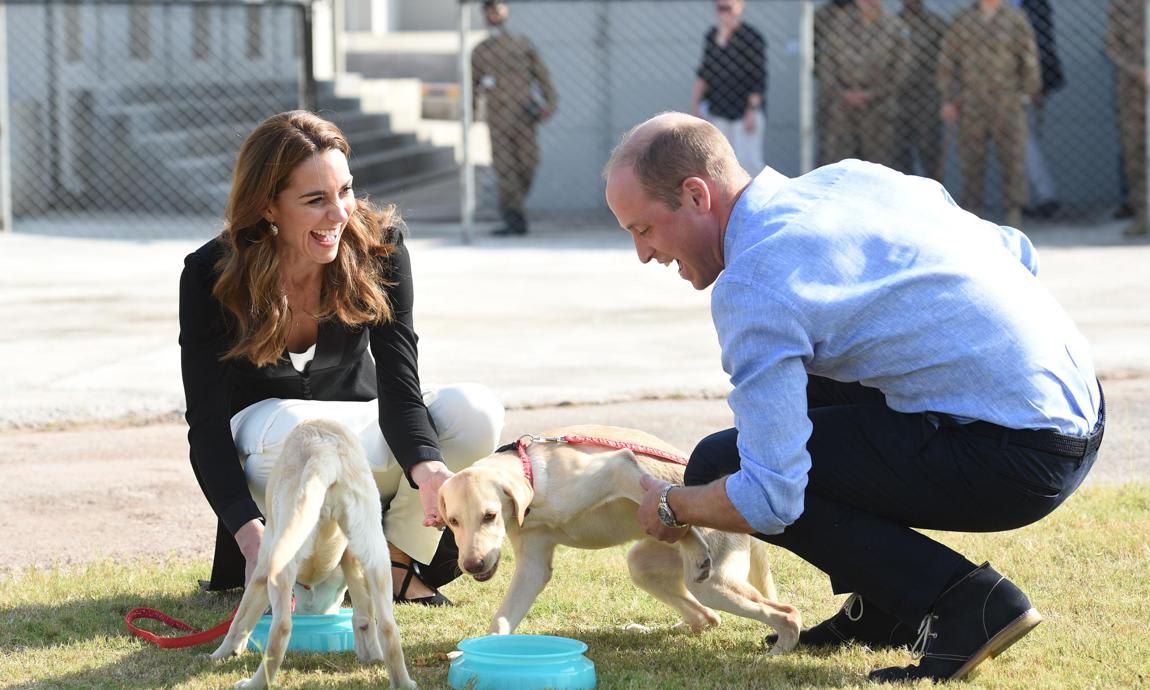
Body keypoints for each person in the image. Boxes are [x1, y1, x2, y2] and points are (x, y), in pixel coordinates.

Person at [603, 112, 1103, 682]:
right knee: (804, 394)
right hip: (1078, 407)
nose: (644, 254)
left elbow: (772, 496)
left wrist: (675, 504)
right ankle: (888, 608)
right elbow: (1015, 249)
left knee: (724, 462)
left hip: (1019, 455)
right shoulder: (850, 178)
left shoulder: (754, 281)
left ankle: (967, 606)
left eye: (643, 230)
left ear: (696, 195)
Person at [179, 111, 505, 604]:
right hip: (270, 448)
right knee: (301, 429)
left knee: (473, 410)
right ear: (268, 206)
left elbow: (400, 383)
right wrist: (250, 538)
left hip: (359, 433)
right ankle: (308, 565)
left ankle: (392, 563)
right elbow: (205, 423)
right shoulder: (211, 272)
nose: (340, 214)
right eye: (316, 200)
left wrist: (428, 468)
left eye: (345, 191)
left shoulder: (379, 248)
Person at [938, 0, 1040, 228]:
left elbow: (1029, 57)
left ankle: (1014, 213)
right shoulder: (962, 20)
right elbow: (948, 62)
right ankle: (972, 214)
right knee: (972, 159)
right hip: (971, 102)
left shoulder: (1016, 19)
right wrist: (948, 98)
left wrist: (1027, 91)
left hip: (1008, 101)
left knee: (1012, 158)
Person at [471, 0, 558, 236]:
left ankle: (514, 209)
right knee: (505, 169)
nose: (494, 13)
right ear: (484, 13)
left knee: (529, 164)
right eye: (489, 9)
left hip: (524, 117)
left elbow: (542, 76)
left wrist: (550, 104)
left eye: (498, 7)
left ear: (506, 10)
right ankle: (513, 217)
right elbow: (472, 86)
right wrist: (469, 116)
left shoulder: (522, 45)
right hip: (498, 119)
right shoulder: (481, 51)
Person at [816, 0, 910, 167]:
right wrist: (842, 93)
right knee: (840, 165)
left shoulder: (896, 28)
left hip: (880, 110)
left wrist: (873, 94)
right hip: (842, 109)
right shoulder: (838, 26)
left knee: (879, 166)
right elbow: (826, 66)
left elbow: (901, 71)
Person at [691, 0, 768, 174]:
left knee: (748, 162)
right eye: (720, 8)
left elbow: (758, 79)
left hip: (745, 111)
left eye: (729, 8)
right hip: (719, 109)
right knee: (722, 162)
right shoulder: (712, 36)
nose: (724, 13)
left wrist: (752, 110)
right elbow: (704, 73)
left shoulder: (751, 37)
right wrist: (695, 104)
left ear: (740, 7)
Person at [1019, 0, 1065, 219]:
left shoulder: (1035, 4)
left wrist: (1038, 84)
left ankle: (1045, 197)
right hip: (994, 87)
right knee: (1018, 144)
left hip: (1026, 86)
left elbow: (1044, 44)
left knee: (1027, 141)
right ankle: (1023, 200)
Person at [1106, 0, 1147, 238]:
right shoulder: (1121, 6)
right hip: (1132, 90)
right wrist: (1136, 71)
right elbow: (1112, 46)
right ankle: (1143, 216)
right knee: (1135, 153)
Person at [893, 0, 947, 180]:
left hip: (928, 98)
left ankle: (933, 201)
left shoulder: (936, 24)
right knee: (898, 154)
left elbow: (947, 61)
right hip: (897, 98)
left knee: (930, 153)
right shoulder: (892, 23)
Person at [813, 0, 854, 167]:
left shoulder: (860, 14)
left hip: (868, 98)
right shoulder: (821, 16)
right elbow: (815, 57)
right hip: (832, 94)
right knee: (830, 150)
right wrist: (837, 88)